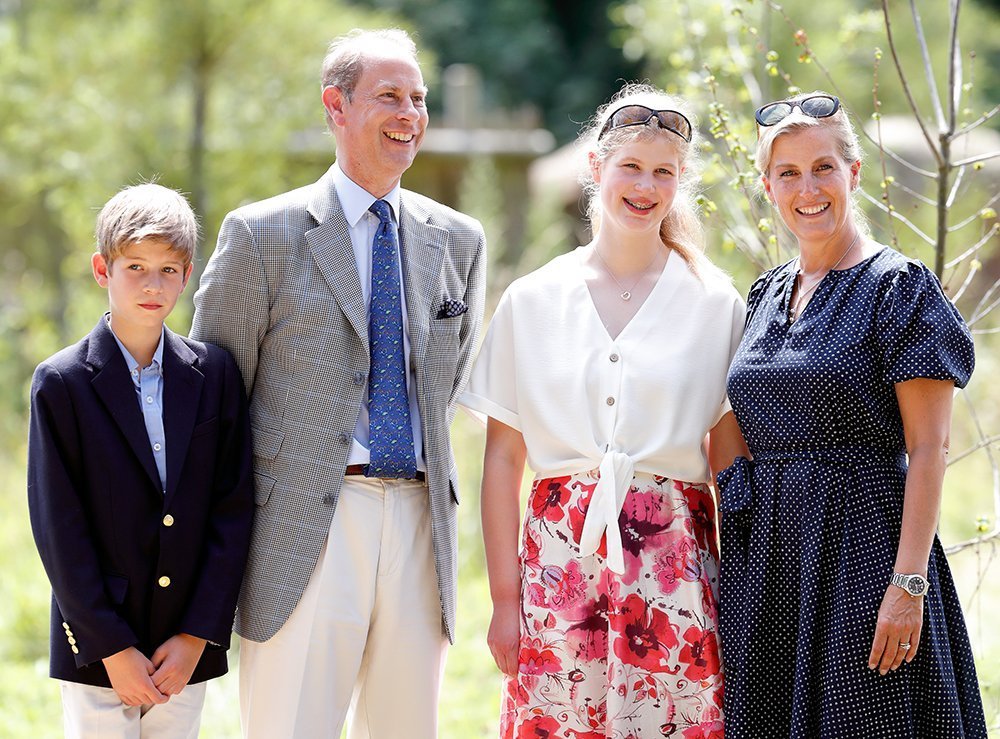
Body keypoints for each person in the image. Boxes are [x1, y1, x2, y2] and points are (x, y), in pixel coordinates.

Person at [190, 28, 486, 739]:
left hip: (420, 526)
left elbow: (445, 388)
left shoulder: (460, 240)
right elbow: (210, 408)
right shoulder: (261, 234)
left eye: (418, 98)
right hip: (301, 529)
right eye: (390, 96)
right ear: (336, 105)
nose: (410, 113)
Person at [460, 83, 747, 737]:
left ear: (680, 182)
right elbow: (503, 460)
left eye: (663, 172)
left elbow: (729, 463)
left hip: (676, 567)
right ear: (596, 168)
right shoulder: (532, 300)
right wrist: (506, 599)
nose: (645, 187)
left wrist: (740, 595)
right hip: (560, 565)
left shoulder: (715, 303)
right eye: (631, 167)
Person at [718, 91, 988, 737]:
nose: (807, 188)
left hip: (865, 554)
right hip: (772, 562)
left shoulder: (899, 286)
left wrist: (908, 584)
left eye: (823, 168)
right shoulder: (765, 291)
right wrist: (739, 517)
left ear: (854, 173)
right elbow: (734, 419)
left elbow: (930, 447)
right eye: (788, 173)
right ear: (767, 186)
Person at [26, 183, 254, 738]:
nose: (153, 285)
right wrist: (110, 647)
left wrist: (198, 635)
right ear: (102, 269)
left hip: (183, 648)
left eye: (169, 270)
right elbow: (59, 529)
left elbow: (233, 509)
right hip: (99, 652)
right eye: (135, 267)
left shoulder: (215, 375)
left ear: (188, 273)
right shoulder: (62, 384)